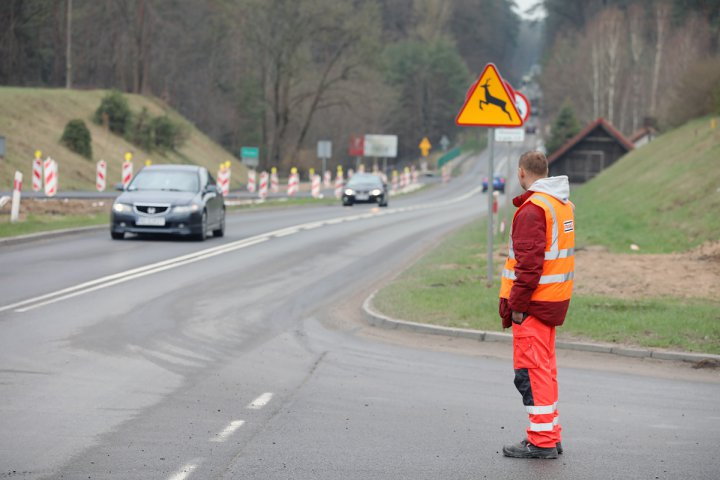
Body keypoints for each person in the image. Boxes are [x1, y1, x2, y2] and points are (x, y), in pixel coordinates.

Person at [498, 151, 575, 459]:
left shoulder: (533, 210)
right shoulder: (562, 204)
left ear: (521, 173)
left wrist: (516, 305)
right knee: (545, 371)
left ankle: (541, 441)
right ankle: (550, 433)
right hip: (552, 301)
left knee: (531, 373)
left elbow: (529, 265)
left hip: (532, 303)